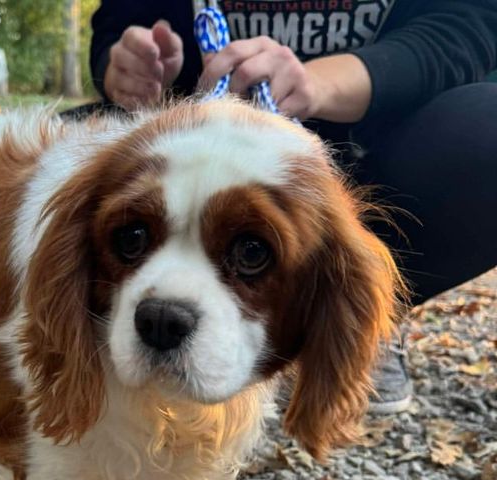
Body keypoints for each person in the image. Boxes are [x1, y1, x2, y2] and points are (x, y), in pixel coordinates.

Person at [88, 1, 497, 413]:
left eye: (250, 256)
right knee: (65, 151)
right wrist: (124, 66)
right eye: (132, 241)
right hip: (183, 148)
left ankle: (346, 330)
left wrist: (320, 84)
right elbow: (118, 23)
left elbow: (466, 24)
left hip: (379, 154)